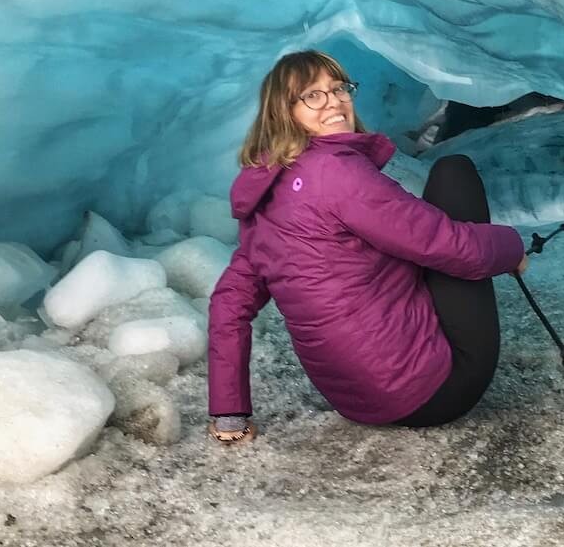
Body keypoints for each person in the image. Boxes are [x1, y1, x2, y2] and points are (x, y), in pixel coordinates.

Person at [207, 50, 528, 444]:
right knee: (453, 174)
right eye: (313, 95)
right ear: (283, 111)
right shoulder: (336, 172)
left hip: (355, 403)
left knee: (413, 239)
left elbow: (228, 305)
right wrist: (512, 249)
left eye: (339, 88)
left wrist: (229, 416)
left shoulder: (264, 202)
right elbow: (449, 246)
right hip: (437, 393)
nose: (335, 101)